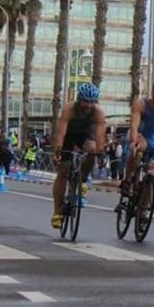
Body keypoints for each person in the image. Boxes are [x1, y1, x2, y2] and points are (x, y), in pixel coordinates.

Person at [51, 83, 107, 228]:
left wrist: (101, 154)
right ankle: (57, 212)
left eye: (91, 102)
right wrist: (57, 151)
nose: (87, 105)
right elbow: (61, 133)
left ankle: (83, 179)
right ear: (78, 99)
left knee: (93, 149)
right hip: (68, 135)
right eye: (84, 101)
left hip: (85, 134)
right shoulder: (69, 109)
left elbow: (100, 136)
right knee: (63, 170)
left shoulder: (98, 112)